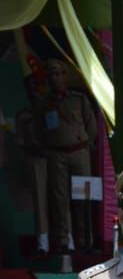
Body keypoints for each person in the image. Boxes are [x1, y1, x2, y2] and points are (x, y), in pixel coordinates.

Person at [34, 58, 97, 253]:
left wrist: (85, 145)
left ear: (64, 76)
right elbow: (38, 129)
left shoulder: (78, 99)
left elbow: (91, 125)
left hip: (79, 153)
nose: (54, 78)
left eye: (58, 74)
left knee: (84, 197)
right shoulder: (44, 104)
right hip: (56, 155)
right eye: (50, 75)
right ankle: (63, 240)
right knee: (59, 199)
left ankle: (85, 239)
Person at [15, 75, 49, 255]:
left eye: (36, 85)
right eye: (29, 87)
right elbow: (21, 141)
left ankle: (68, 241)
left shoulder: (54, 109)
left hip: (59, 157)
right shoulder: (24, 115)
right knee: (40, 201)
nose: (33, 90)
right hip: (36, 158)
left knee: (62, 203)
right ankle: (43, 243)